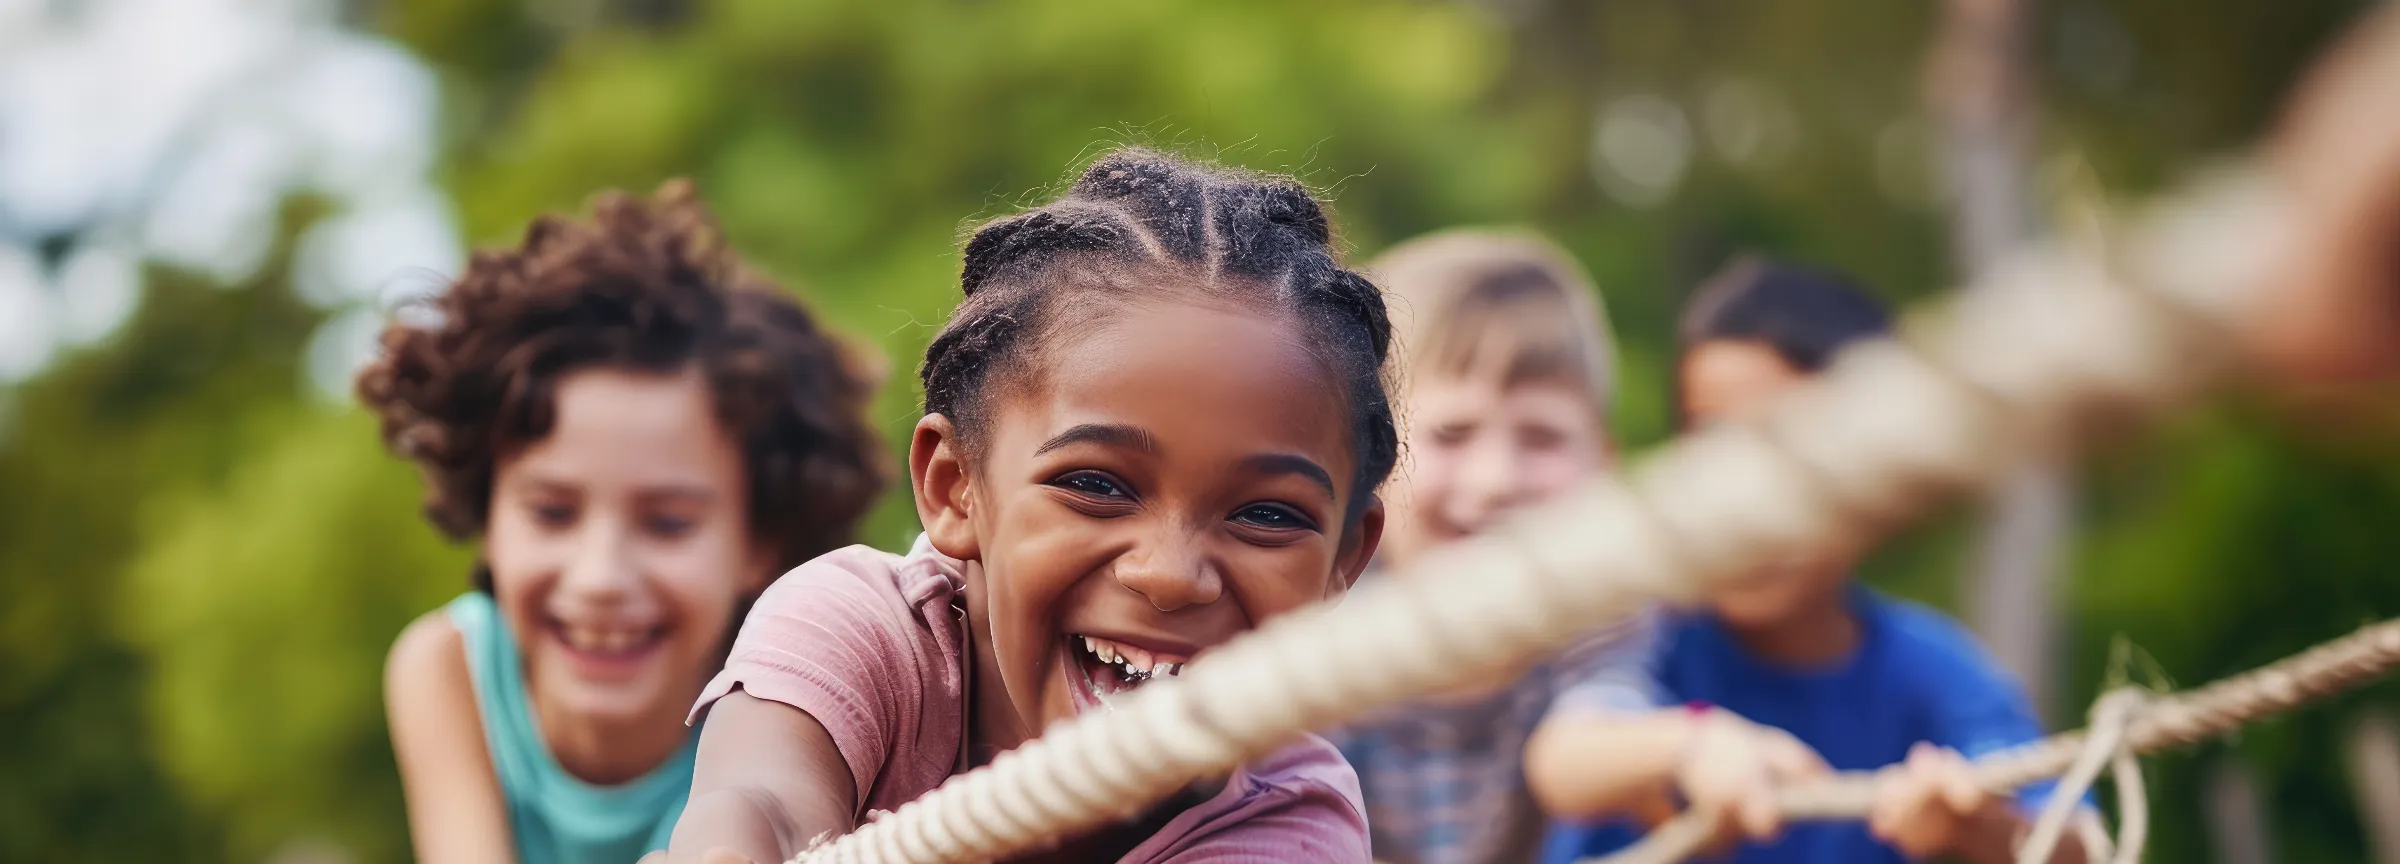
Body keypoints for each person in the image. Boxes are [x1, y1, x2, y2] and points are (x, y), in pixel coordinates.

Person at [660, 148, 1396, 863]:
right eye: (1097, 486)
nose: (1171, 576)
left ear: (1345, 559)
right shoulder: (865, 631)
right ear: (956, 489)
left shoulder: (1292, 817)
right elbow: (767, 805)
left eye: (1266, 514)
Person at [363, 181, 888, 863]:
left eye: (668, 524)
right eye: (551, 513)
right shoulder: (448, 669)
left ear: (759, 543)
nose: (601, 576)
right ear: (487, 515)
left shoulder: (797, 695)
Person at [1531, 257, 2090, 864]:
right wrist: (1690, 746)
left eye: (1794, 449)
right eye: (1713, 442)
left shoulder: (1933, 674)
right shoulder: (1642, 630)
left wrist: (1970, 828)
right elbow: (1563, 761)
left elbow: (2077, 844)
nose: (1747, 495)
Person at [1323, 229, 1660, 864]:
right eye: (1452, 433)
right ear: (1370, 460)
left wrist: (1687, 747)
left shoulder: (1597, 619)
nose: (1495, 480)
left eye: (1541, 438)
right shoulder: (1325, 622)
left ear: (1603, 464)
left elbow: (1588, 738)